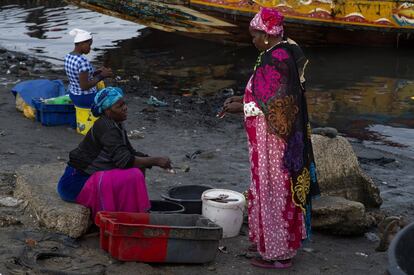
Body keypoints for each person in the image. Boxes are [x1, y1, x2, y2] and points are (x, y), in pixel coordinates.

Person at [222, 7, 320, 269]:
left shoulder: (277, 59)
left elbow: (277, 103)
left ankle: (279, 254)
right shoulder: (278, 51)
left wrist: (241, 108)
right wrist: (241, 98)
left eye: (254, 35)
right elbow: (263, 91)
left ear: (265, 35)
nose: (251, 40)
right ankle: (268, 241)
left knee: (274, 188)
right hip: (267, 138)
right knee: (265, 187)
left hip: (275, 140)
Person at [57, 87, 172, 220]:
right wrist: (156, 160)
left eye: (124, 104)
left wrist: (152, 160)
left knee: (139, 166)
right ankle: (126, 217)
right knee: (134, 173)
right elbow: (125, 160)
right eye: (119, 106)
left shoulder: (116, 124)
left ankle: (133, 213)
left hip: (88, 178)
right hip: (75, 184)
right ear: (107, 111)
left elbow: (130, 152)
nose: (125, 108)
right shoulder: (106, 127)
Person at [64, 28, 113, 108]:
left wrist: (97, 72)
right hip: (85, 98)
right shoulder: (83, 61)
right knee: (114, 95)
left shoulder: (68, 56)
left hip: (73, 95)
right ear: (81, 43)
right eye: (89, 45)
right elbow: (84, 86)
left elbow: (78, 76)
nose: (90, 48)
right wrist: (102, 76)